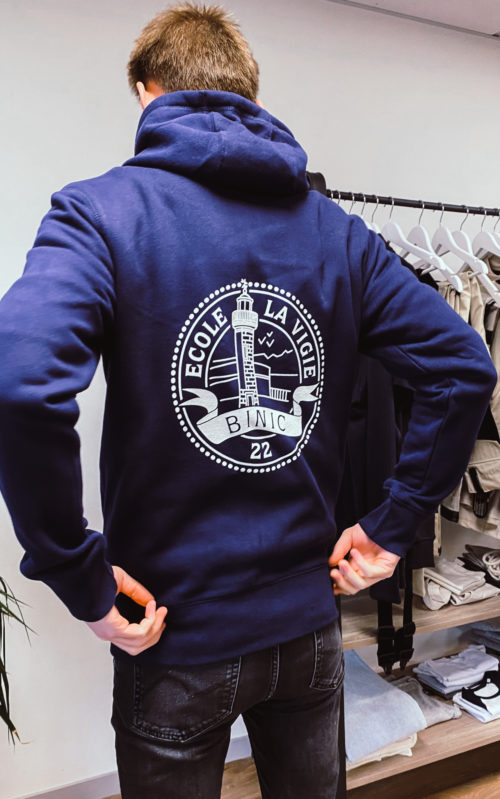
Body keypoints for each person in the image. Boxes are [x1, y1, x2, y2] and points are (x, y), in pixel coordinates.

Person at [0, 3, 496, 798]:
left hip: (173, 632)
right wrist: (392, 525)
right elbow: (463, 365)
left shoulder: (99, 212)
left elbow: (19, 382)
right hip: (306, 628)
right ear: (251, 99)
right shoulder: (336, 233)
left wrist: (78, 576)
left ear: (146, 94)